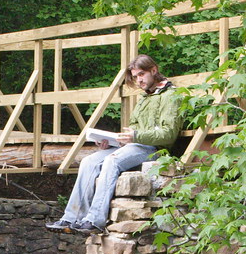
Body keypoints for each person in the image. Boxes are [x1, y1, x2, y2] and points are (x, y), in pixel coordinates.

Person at [46, 55, 183, 235]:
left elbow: (168, 134)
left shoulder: (171, 95)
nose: (139, 80)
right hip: (134, 146)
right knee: (89, 161)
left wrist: (135, 136)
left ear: (154, 70)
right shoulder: (145, 98)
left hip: (155, 149)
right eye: (135, 77)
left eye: (141, 74)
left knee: (112, 161)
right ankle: (71, 218)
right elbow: (133, 129)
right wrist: (113, 141)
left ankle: (95, 221)